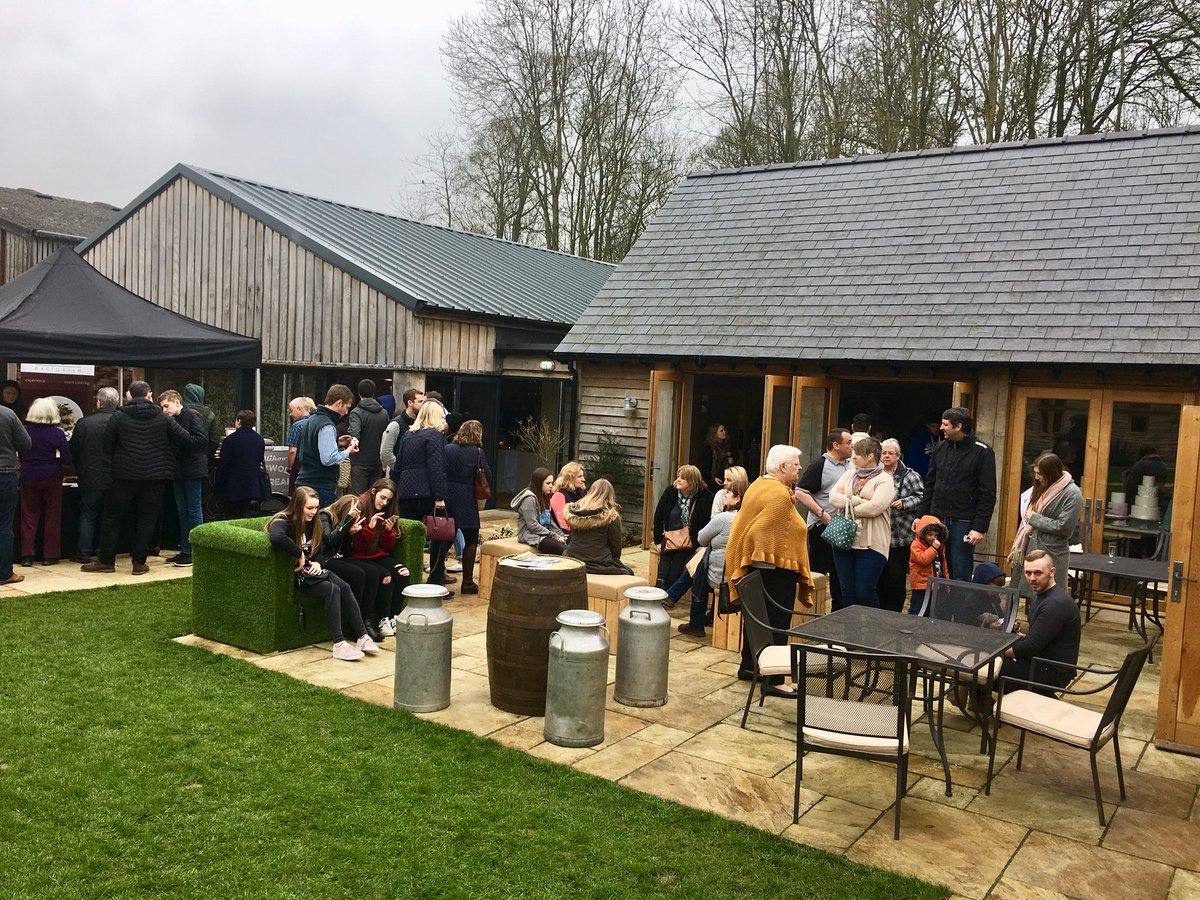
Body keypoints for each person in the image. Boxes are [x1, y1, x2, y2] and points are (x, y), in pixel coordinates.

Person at [83, 381, 205, 576]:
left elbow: (107, 446)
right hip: (155, 476)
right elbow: (185, 438)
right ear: (149, 394)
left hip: (124, 475)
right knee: (147, 519)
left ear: (130, 396)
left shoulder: (119, 416)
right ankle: (139, 563)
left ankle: (106, 560)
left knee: (112, 518)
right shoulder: (162, 417)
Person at [725, 444, 815, 690]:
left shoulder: (759, 484)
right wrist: (767, 552)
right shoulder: (778, 496)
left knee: (756, 619)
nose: (799, 468)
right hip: (774, 569)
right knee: (777, 622)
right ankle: (774, 681)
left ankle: (749, 666)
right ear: (782, 467)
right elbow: (760, 530)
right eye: (795, 464)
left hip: (757, 568)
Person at [266, 487, 378, 661]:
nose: (313, 512)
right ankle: (339, 643)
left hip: (311, 572)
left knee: (344, 586)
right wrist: (299, 554)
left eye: (316, 508)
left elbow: (321, 548)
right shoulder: (283, 520)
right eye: (309, 508)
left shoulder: (313, 522)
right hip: (296, 576)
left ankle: (362, 636)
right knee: (333, 588)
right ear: (297, 506)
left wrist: (317, 562)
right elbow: (276, 537)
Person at [916, 406, 997, 582]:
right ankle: (938, 601)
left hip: (963, 521)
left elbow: (988, 493)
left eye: (945, 424)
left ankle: (959, 601)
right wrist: (921, 515)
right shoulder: (940, 448)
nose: (941, 428)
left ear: (958, 426)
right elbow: (930, 483)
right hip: (937, 517)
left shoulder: (983, 452)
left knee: (960, 571)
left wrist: (979, 527)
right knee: (936, 569)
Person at [1000, 550, 1081, 694]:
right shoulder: (1042, 595)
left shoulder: (1055, 604)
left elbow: (1030, 646)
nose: (1032, 578)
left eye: (1038, 573)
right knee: (987, 663)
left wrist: (998, 652)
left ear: (1052, 572)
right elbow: (1037, 639)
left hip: (1051, 672)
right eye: (1028, 573)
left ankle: (983, 702)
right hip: (1041, 661)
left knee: (988, 666)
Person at [829, 436, 895, 608]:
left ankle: (872, 625)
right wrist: (858, 501)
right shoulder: (849, 474)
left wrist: (847, 505)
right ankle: (851, 626)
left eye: (857, 453)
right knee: (847, 591)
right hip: (843, 541)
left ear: (870, 456)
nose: (853, 457)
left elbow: (875, 508)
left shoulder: (885, 479)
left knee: (864, 591)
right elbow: (833, 498)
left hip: (871, 545)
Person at [1009, 452, 1084, 598]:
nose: (1036, 477)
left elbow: (1064, 527)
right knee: (1025, 594)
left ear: (1051, 473)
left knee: (1049, 596)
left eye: (1040, 474)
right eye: (1036, 473)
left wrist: (1034, 518)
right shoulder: (1043, 486)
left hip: (1051, 553)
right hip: (1030, 547)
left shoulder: (1072, 494)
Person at [677, 474, 745, 637]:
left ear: (737, 498)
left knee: (699, 573)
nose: (725, 495)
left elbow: (701, 538)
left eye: (729, 493)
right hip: (741, 575)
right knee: (702, 561)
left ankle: (696, 624)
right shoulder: (749, 518)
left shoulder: (724, 518)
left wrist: (712, 541)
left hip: (720, 577)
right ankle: (675, 597)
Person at [395, 399, 453, 588]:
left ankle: (409, 579)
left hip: (406, 491)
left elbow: (398, 465)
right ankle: (435, 579)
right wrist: (440, 496)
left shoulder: (408, 435)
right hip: (427, 492)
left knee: (409, 537)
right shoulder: (435, 436)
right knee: (439, 536)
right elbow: (436, 468)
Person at [795, 429, 854, 608]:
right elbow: (800, 492)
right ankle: (811, 612)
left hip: (844, 527)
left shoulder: (851, 464)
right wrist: (822, 514)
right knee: (818, 574)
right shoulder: (820, 465)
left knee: (841, 576)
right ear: (836, 445)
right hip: (823, 527)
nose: (852, 446)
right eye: (848, 443)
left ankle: (838, 614)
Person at [349, 479, 411, 636]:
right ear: (373, 492)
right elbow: (356, 546)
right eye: (382, 498)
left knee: (404, 573)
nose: (384, 503)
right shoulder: (359, 507)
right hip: (359, 556)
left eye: (388, 500)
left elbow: (387, 548)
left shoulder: (387, 511)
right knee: (386, 576)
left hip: (378, 555)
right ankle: (383, 619)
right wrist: (369, 528)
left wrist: (388, 532)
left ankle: (394, 617)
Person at [157, 389, 209, 566]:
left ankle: (196, 550)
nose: (164, 410)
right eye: (162, 407)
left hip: (192, 469)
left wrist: (176, 430)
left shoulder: (192, 415)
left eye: (166, 406)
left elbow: (201, 441)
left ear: (177, 402)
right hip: (178, 470)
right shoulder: (174, 420)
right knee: (182, 510)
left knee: (193, 509)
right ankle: (186, 549)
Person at [68, 387, 119, 564]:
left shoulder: (84, 423)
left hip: (89, 475)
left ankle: (84, 553)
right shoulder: (123, 422)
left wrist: (80, 468)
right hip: (116, 476)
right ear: (117, 402)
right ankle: (105, 553)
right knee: (110, 517)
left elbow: (74, 449)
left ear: (98, 403)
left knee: (88, 515)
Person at [19, 397, 71, 566]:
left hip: (29, 475)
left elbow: (21, 454)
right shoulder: (57, 433)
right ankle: (50, 555)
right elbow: (66, 458)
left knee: (28, 516)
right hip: (52, 476)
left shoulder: (25, 431)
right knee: (52, 516)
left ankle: (27, 555)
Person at [444, 419, 492, 594]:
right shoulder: (477, 452)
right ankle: (468, 582)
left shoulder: (448, 449)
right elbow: (487, 475)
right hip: (467, 499)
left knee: (444, 538)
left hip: (448, 496)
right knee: (471, 540)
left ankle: (437, 575)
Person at [877, 438, 924, 613]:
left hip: (900, 536)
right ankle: (878, 611)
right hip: (877, 536)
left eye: (891, 453)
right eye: (883, 453)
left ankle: (894, 612)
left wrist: (904, 503)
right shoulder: (874, 473)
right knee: (878, 576)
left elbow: (922, 497)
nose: (886, 456)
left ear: (898, 456)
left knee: (895, 578)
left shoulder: (910, 475)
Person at [652, 464, 712, 592]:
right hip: (670, 536)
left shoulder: (705, 497)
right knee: (665, 554)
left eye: (683, 478)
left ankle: (669, 591)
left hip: (690, 539)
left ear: (692, 482)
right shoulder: (670, 492)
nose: (678, 480)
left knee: (679, 557)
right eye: (678, 476)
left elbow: (707, 523)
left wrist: (702, 544)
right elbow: (658, 516)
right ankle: (659, 587)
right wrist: (657, 541)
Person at [296, 384, 359, 507]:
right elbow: (329, 459)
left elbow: (312, 445)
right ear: (339, 403)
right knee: (323, 519)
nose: (347, 412)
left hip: (305, 481)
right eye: (347, 407)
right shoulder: (327, 425)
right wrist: (349, 450)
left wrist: (337, 442)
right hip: (320, 485)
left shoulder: (312, 420)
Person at [563, 478, 633, 575]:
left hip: (573, 561)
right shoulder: (610, 516)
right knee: (629, 572)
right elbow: (616, 550)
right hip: (599, 564)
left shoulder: (575, 512)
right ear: (610, 495)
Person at [214, 409, 269, 519]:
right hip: (252, 486)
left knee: (232, 517)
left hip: (233, 486)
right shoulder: (259, 439)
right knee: (247, 515)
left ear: (239, 421)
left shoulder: (230, 440)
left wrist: (218, 484)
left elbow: (224, 464)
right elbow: (259, 459)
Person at [0, 398, 31, 584]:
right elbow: (25, 443)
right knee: (4, 525)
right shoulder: (7, 414)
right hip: (5, 472)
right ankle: (4, 573)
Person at [511, 467, 566, 554]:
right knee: (562, 549)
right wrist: (554, 536)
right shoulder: (529, 499)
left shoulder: (545, 496)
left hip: (544, 534)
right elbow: (532, 525)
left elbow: (550, 522)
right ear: (539, 483)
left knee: (569, 543)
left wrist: (561, 535)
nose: (551, 486)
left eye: (552, 483)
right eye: (548, 483)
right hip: (530, 536)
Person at [348, 379, 389, 494]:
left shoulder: (356, 412)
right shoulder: (384, 413)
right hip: (377, 460)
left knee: (359, 497)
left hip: (359, 461)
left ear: (359, 393)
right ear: (374, 393)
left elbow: (355, 435)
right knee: (374, 496)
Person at [379, 387, 425, 478]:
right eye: (420, 402)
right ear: (410, 403)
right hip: (398, 476)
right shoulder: (395, 424)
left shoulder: (422, 423)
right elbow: (385, 452)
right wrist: (399, 468)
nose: (423, 405)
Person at [908, 515, 949, 615]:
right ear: (923, 533)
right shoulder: (916, 545)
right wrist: (933, 549)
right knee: (917, 609)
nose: (933, 538)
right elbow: (923, 560)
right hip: (921, 585)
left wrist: (946, 583)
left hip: (936, 585)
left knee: (931, 610)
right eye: (930, 534)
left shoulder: (939, 546)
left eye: (936, 535)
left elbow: (943, 566)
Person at [182, 383, 222, 461]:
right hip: (201, 459)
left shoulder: (178, 412)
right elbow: (214, 440)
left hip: (180, 460)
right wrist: (207, 456)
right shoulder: (209, 415)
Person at [285, 396, 315, 493]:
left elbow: (292, 451)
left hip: (299, 466)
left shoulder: (297, 426)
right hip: (315, 466)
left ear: (299, 409)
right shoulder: (316, 423)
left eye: (291, 410)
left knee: (297, 494)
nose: (290, 414)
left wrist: (289, 467)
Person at [549, 462, 587, 533]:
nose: (583, 479)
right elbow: (563, 524)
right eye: (579, 477)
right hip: (565, 534)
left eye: (583, 476)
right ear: (569, 478)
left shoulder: (583, 493)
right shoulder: (559, 495)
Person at [705, 424, 736, 489]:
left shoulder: (728, 446)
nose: (724, 432)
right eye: (721, 431)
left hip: (726, 478)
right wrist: (713, 477)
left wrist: (731, 461)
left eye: (724, 430)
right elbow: (705, 466)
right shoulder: (709, 449)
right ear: (715, 434)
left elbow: (734, 460)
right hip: (712, 480)